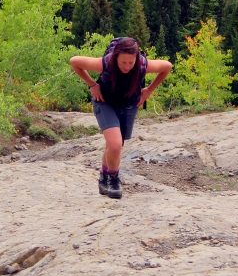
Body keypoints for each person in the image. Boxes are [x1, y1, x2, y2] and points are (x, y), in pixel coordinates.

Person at [70, 38, 172, 199]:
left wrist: (149, 90)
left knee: (115, 144)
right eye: (123, 62)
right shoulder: (106, 63)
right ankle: (114, 178)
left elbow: (167, 67)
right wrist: (92, 85)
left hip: (129, 104)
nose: (127, 67)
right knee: (115, 145)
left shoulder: (142, 64)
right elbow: (74, 61)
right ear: (116, 57)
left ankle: (104, 176)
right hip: (105, 102)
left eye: (131, 63)